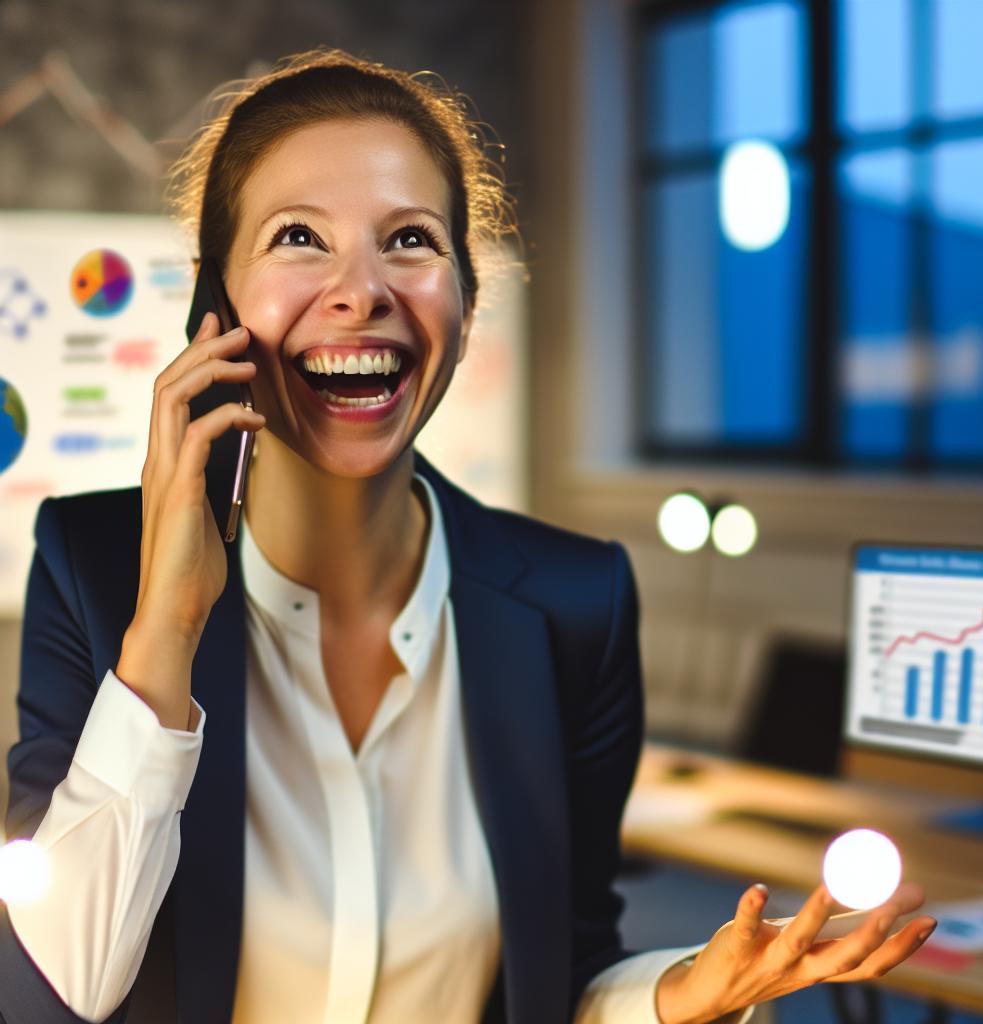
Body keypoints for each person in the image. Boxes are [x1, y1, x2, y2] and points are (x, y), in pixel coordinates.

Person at [0, 48, 933, 1024]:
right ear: (213, 308)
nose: (361, 290)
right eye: (298, 237)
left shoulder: (577, 603)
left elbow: (558, 977)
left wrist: (671, 998)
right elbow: (51, 992)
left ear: (466, 298)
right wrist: (166, 630)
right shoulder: (97, 567)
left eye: (408, 239)